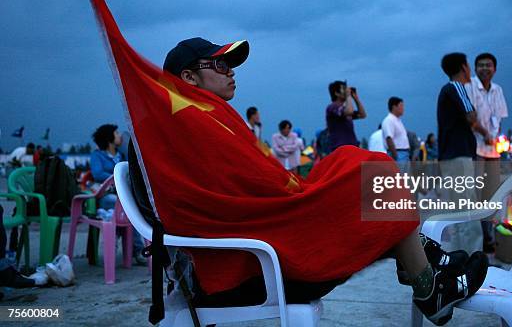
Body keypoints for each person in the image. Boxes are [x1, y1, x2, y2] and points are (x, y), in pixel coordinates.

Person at [128, 36, 488, 325]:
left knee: (354, 163)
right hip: (243, 267)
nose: (231, 72)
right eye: (221, 65)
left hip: (251, 239)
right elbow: (243, 192)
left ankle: (424, 270)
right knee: (374, 177)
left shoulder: (201, 119)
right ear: (188, 78)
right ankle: (428, 280)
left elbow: (253, 181)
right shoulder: (180, 126)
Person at [437, 53, 492, 255]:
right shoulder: (456, 87)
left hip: (451, 157)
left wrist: (484, 133)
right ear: (463, 67)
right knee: (468, 207)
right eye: (469, 65)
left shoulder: (447, 90)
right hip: (458, 157)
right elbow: (471, 115)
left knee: (458, 209)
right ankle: (473, 257)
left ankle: (461, 255)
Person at [464, 52, 508, 255]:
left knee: (491, 196)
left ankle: (489, 238)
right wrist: (486, 134)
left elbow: (499, 118)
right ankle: (478, 240)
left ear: (495, 69)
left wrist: (495, 138)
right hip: (475, 149)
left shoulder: (498, 89)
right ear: (475, 68)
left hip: (493, 151)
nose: (484, 68)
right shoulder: (470, 86)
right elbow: (470, 118)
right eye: (480, 65)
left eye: (488, 65)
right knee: (475, 195)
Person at [90, 124, 147, 265]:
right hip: (106, 195)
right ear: (109, 138)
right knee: (128, 208)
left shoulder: (120, 155)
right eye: (116, 133)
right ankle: (138, 250)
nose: (119, 136)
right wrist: (117, 178)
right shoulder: (97, 156)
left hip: (120, 196)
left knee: (132, 207)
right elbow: (97, 174)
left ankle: (137, 249)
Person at [325, 81, 366, 151]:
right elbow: (349, 111)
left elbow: (362, 115)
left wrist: (356, 99)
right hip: (340, 149)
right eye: (344, 89)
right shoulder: (332, 107)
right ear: (336, 93)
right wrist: (348, 96)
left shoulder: (344, 109)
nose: (347, 91)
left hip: (351, 148)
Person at [381, 97, 410, 164]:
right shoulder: (389, 120)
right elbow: (389, 138)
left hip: (403, 154)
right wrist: (395, 156)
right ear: (394, 107)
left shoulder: (397, 120)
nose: (403, 108)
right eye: (401, 106)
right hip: (398, 153)